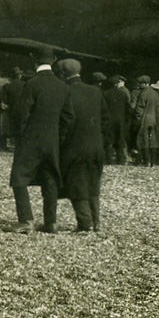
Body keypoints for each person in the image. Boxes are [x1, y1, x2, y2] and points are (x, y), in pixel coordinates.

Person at [9, 48, 66, 234]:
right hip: (52, 140)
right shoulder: (62, 86)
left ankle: (26, 220)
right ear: (53, 62)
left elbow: (22, 114)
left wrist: (20, 136)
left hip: (31, 139)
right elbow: (69, 117)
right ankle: (51, 222)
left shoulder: (32, 84)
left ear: (34, 63)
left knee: (19, 177)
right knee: (50, 179)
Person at [57, 59, 107, 232]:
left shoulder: (64, 91)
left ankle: (85, 223)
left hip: (74, 146)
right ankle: (97, 222)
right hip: (96, 145)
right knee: (93, 183)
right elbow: (104, 119)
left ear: (63, 74)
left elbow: (63, 122)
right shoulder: (95, 91)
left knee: (77, 184)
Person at [101, 75, 131, 165]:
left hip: (109, 120)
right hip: (120, 120)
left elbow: (103, 108)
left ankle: (109, 160)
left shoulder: (105, 94)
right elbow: (128, 109)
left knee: (109, 140)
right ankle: (120, 160)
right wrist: (126, 120)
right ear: (117, 83)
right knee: (120, 140)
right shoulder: (123, 94)